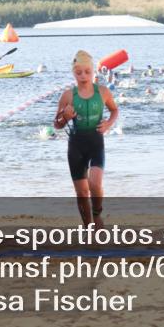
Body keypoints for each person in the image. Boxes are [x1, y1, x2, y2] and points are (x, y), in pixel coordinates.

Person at [53, 50, 120, 227]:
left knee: (95, 183)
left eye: (87, 72)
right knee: (82, 192)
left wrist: (108, 124)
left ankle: (97, 213)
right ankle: (88, 227)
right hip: (76, 146)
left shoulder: (103, 92)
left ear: (93, 72)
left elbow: (115, 110)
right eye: (78, 72)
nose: (83, 76)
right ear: (73, 73)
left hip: (96, 143)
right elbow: (56, 124)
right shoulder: (68, 95)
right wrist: (65, 117)